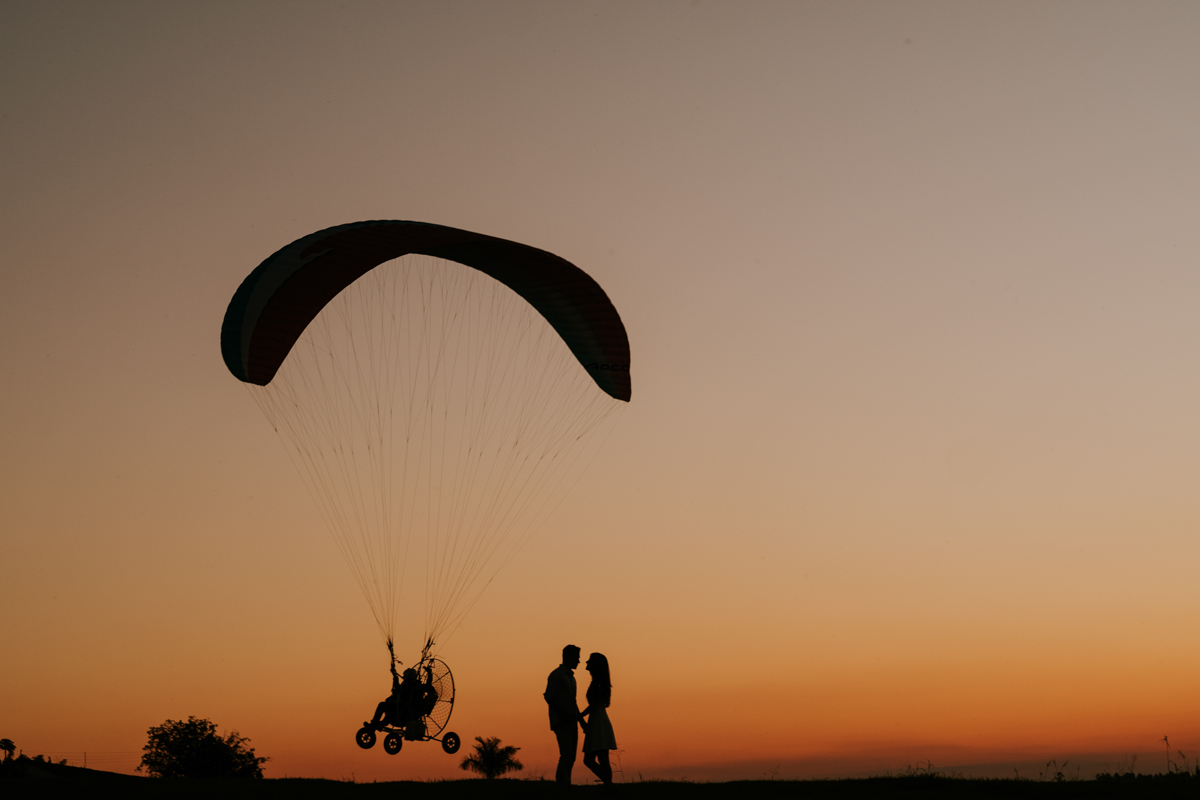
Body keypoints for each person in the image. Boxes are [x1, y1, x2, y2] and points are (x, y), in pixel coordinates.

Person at [544, 644, 583, 788]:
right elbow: (549, 697)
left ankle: (567, 783)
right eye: (576, 658)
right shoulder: (557, 675)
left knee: (571, 757)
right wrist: (562, 715)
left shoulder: (571, 678)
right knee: (566, 755)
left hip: (572, 722)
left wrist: (581, 722)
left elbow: (573, 702)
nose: (578, 661)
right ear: (568, 657)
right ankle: (561, 785)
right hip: (561, 722)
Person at [581, 652, 616, 788]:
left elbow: (594, 705)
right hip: (598, 719)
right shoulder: (599, 683)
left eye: (589, 661)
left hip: (598, 720)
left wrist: (578, 716)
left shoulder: (598, 684)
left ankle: (609, 786)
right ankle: (609, 785)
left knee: (596, 759)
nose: (586, 663)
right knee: (600, 759)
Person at [366, 666, 420, 731]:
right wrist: (395, 676)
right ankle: (380, 724)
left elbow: (398, 691)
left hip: (401, 715)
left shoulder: (409, 686)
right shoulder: (410, 685)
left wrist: (395, 677)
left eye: (405, 676)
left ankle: (375, 724)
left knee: (383, 705)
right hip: (399, 713)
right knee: (388, 705)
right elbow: (398, 689)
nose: (403, 677)